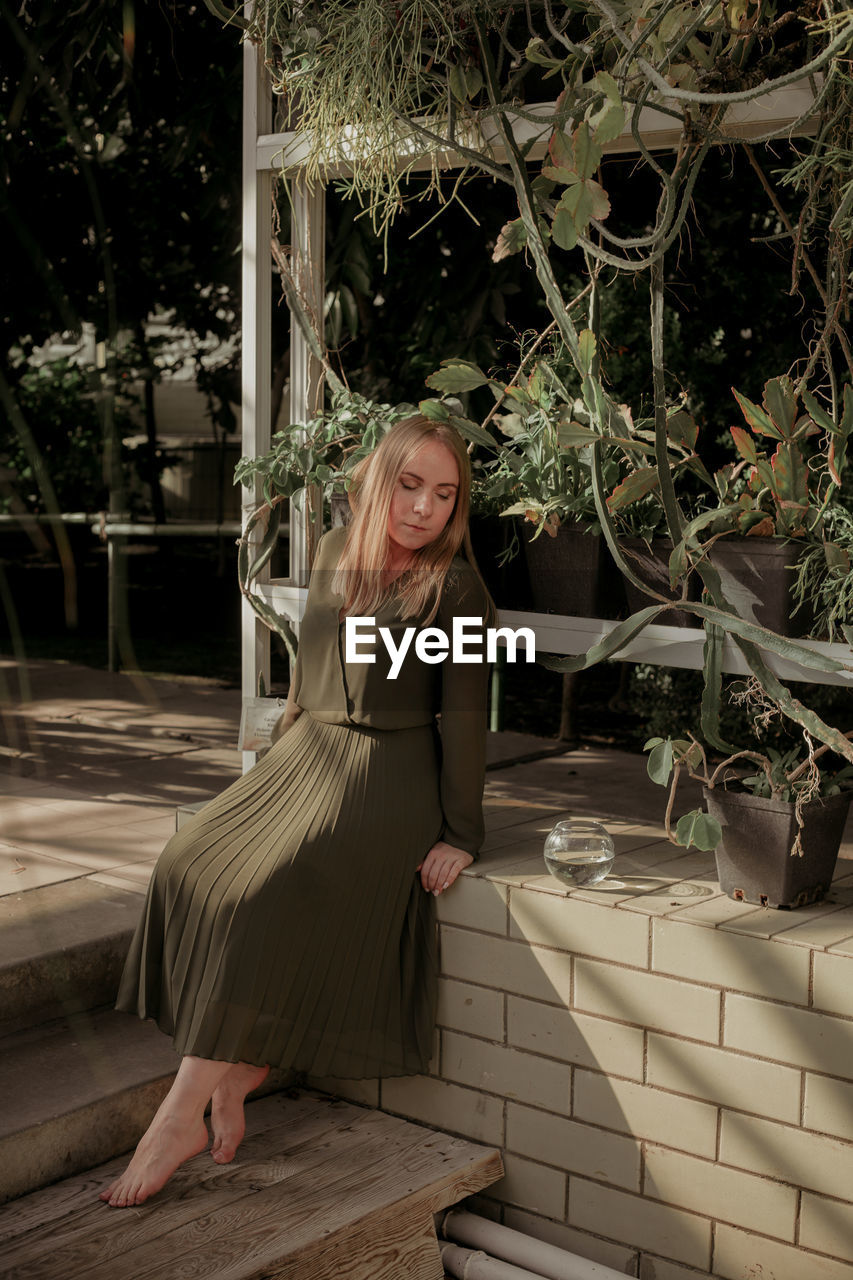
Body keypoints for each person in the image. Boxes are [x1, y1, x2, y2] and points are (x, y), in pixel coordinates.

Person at [101, 415, 493, 1208]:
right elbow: (308, 672)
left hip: (389, 771)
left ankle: (178, 1114)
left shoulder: (455, 589)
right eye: (411, 485)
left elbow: (465, 717)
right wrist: (274, 763)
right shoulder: (329, 553)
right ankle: (238, 1071)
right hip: (308, 752)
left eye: (444, 495)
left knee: (258, 893)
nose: (424, 508)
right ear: (377, 481)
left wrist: (461, 833)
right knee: (189, 857)